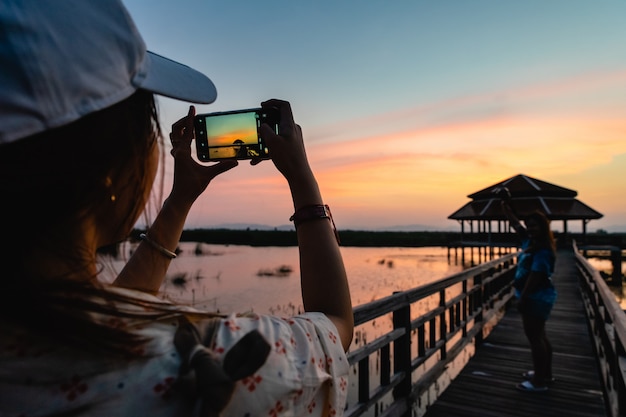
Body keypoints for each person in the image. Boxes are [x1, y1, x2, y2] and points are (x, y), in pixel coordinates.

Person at [0, 1, 353, 416]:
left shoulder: (31, 332)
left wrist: (180, 198)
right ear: (111, 165)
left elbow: (115, 310)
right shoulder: (203, 359)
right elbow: (335, 325)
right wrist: (302, 181)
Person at [500, 197, 557, 392]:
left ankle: (538, 382)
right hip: (540, 296)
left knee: (535, 338)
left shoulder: (542, 250)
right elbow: (516, 225)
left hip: (535, 297)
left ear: (543, 227)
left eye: (534, 226)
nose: (530, 229)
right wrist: (506, 209)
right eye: (529, 226)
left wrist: (523, 298)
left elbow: (536, 276)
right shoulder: (530, 241)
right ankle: (545, 374)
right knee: (540, 335)